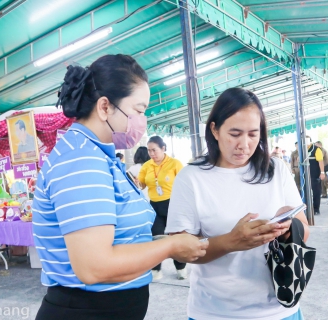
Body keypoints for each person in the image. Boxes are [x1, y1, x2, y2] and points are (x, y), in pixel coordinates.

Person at [32, 55, 207, 320]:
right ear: (104, 107)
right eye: (139, 110)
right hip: (86, 311)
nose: (142, 120)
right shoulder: (82, 161)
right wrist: (170, 248)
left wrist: (168, 241)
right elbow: (94, 267)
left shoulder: (99, 156)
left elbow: (123, 241)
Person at [165, 87, 309, 320]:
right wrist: (232, 241)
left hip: (279, 309)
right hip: (215, 312)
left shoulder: (276, 170)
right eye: (234, 134)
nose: (244, 144)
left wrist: (288, 228)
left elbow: (304, 228)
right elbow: (179, 251)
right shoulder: (191, 177)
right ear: (214, 130)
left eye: (253, 134)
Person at [137, 136, 186, 281]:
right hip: (155, 205)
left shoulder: (175, 164)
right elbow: (142, 184)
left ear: (163, 148)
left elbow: (184, 184)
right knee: (156, 238)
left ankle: (181, 267)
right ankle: (156, 269)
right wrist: (137, 183)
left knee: (175, 236)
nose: (151, 153)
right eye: (149, 150)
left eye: (154, 150)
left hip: (173, 204)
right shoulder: (146, 166)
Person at [307, 136, 326, 215]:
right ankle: (307, 208)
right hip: (305, 174)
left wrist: (322, 172)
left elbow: (320, 161)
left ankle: (316, 208)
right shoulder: (301, 149)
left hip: (315, 173)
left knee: (316, 191)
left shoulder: (316, 149)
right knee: (305, 191)